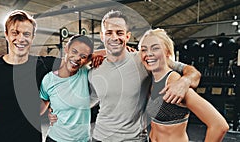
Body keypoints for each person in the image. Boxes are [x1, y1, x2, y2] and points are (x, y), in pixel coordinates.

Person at [47, 10, 201, 141]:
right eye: (109, 33)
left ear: (127, 36)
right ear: (102, 36)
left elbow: (192, 71)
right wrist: (57, 111)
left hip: (133, 138)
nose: (114, 37)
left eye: (119, 32)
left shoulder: (144, 60)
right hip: (99, 136)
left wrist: (184, 81)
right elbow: (85, 102)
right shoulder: (94, 70)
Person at [0, 10, 59, 142]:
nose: (21, 38)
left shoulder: (43, 65)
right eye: (15, 33)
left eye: (26, 34)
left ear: (32, 37)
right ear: (6, 34)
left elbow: (76, 59)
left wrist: (96, 55)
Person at [139, 28, 229, 142]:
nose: (148, 54)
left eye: (155, 48)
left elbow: (219, 126)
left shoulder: (174, 82)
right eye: (144, 50)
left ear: (167, 52)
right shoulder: (151, 80)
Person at [39, 35, 94, 142]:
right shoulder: (48, 80)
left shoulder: (87, 73)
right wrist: (49, 112)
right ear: (66, 49)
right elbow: (40, 109)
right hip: (56, 139)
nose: (77, 58)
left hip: (83, 140)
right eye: (74, 51)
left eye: (83, 56)